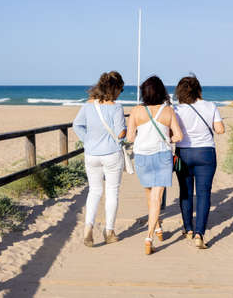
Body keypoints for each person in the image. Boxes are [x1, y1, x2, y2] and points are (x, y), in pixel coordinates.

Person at [127, 76, 183, 255]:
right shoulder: (167, 111)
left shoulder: (136, 111)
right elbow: (179, 136)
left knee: (149, 194)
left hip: (142, 156)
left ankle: (157, 228)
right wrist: (168, 139)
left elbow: (129, 137)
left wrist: (142, 139)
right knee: (156, 198)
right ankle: (149, 236)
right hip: (162, 156)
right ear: (161, 91)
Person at [73, 71, 126, 247]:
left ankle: (88, 227)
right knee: (112, 192)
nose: (121, 92)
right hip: (111, 154)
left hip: (91, 154)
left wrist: (87, 140)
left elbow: (77, 125)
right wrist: (123, 135)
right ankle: (109, 231)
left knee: (94, 191)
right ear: (116, 88)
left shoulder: (88, 106)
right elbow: (120, 133)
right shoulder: (116, 107)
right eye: (121, 89)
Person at [173, 75, 225, 249]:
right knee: (204, 194)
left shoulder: (177, 109)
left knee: (185, 192)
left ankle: (188, 228)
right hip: (206, 153)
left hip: (183, 154)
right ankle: (199, 234)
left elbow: (171, 133)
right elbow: (220, 130)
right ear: (198, 89)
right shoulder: (210, 106)